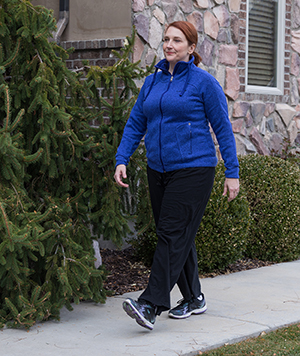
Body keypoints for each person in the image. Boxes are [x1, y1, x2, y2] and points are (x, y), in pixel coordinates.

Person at [114, 21, 240, 330]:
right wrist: (122, 158)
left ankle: (150, 304)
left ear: (191, 48)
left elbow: (222, 128)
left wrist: (232, 172)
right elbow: (135, 123)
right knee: (176, 235)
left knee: (170, 234)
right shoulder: (152, 82)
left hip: (194, 169)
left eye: (178, 40)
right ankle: (194, 298)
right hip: (158, 170)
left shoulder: (203, 83)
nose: (170, 44)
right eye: (167, 39)